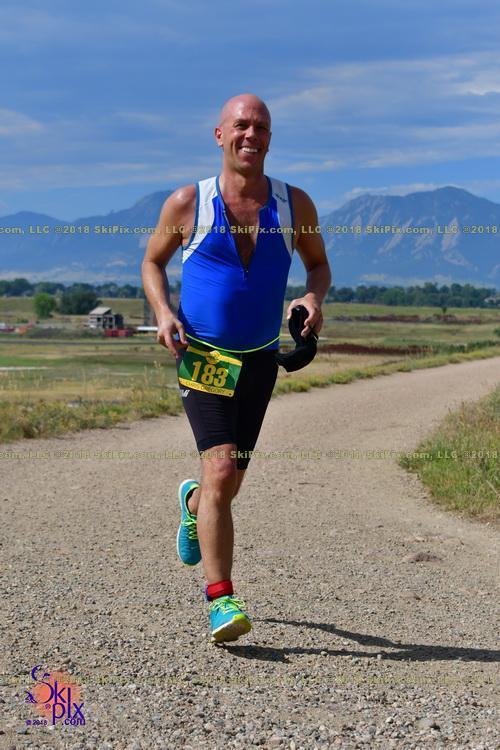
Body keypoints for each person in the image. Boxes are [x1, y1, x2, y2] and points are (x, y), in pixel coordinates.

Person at [141, 93, 331, 644]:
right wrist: (162, 312)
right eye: (241, 125)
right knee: (222, 470)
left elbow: (318, 265)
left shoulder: (295, 205)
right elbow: (152, 261)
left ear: (270, 138)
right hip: (203, 357)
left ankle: (192, 503)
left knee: (228, 482)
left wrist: (312, 298)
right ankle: (221, 600)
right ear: (220, 135)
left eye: (261, 127)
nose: (252, 135)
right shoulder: (188, 202)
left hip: (260, 360)